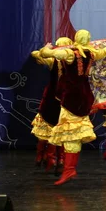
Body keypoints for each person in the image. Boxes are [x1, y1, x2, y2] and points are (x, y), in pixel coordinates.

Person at [40, 30, 106, 185]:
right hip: (85, 95)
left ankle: (69, 169)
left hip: (71, 96)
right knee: (73, 134)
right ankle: (68, 168)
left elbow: (45, 54)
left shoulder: (70, 53)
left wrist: (47, 47)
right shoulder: (92, 53)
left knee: (71, 133)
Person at [30, 37, 73, 174]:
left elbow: (35, 54)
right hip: (67, 98)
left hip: (51, 97)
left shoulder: (52, 60)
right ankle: (60, 159)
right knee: (61, 130)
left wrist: (47, 48)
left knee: (46, 127)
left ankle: (43, 157)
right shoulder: (76, 59)